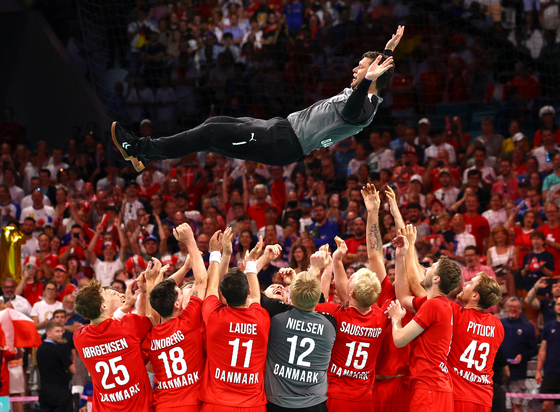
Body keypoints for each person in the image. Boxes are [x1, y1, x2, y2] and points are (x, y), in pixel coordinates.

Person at [111, 28, 404, 171]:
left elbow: (354, 107)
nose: (355, 69)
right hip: (279, 130)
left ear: (373, 77)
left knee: (210, 133)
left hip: (283, 143)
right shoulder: (365, 94)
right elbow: (371, 83)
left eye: (361, 67)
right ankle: (143, 155)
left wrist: (368, 78)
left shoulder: (364, 107)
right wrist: (388, 52)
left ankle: (138, 148)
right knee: (215, 123)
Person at [388, 234, 463, 412]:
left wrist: (396, 319)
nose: (427, 269)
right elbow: (403, 297)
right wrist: (400, 257)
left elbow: (399, 340)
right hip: (436, 387)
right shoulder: (436, 304)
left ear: (436, 279)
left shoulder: (434, 306)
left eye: (432, 268)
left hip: (429, 388)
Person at [141, 223, 208, 412]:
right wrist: (191, 242)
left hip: (163, 405)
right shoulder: (189, 321)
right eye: (180, 292)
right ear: (178, 304)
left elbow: (156, 302)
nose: (181, 290)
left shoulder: (151, 337)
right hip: (192, 404)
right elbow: (202, 281)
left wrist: (153, 281)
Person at [200, 230, 269, 411]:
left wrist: (215, 252)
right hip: (252, 404)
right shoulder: (261, 318)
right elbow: (255, 295)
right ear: (246, 292)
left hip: (217, 403)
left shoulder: (213, 316)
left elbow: (212, 286)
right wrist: (252, 262)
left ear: (223, 294)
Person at [73, 275, 153, 411]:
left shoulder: (79, 336)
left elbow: (105, 326)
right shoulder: (128, 325)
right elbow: (148, 321)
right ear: (103, 305)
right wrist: (147, 290)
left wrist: (126, 306)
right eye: (105, 293)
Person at [500, 297, 538, 412]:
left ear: (521, 309)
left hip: (518, 372)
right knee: (499, 405)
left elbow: (534, 349)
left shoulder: (528, 326)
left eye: (516, 307)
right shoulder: (499, 324)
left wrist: (522, 356)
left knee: (517, 405)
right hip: (500, 371)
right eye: (510, 307)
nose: (513, 309)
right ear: (505, 309)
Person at [36, 321, 75, 412]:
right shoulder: (59, 350)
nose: (60, 334)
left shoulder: (39, 349)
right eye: (57, 331)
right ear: (48, 333)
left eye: (61, 331)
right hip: (61, 393)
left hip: (44, 393)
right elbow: (73, 370)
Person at [535, 296, 560, 412]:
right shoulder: (549, 326)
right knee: (546, 406)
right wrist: (538, 371)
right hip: (551, 372)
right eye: (558, 304)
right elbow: (543, 349)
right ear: (555, 307)